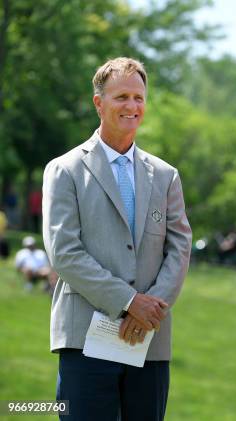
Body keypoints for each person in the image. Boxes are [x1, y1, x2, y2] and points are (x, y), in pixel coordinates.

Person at [42, 57, 192, 421]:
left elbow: (180, 246)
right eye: (122, 96)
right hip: (85, 339)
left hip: (149, 340)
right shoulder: (65, 170)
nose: (132, 106)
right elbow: (64, 253)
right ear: (99, 103)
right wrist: (128, 301)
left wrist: (150, 307)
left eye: (139, 98)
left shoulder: (165, 175)